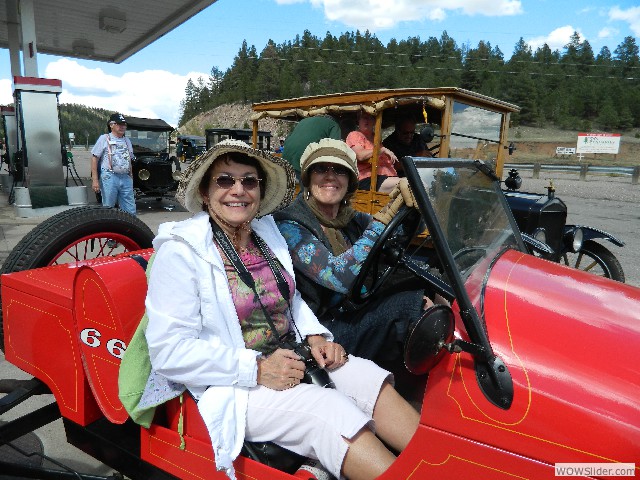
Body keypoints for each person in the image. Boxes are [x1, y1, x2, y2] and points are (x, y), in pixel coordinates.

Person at [139, 139, 419, 480]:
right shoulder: (181, 252)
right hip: (230, 382)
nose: (238, 190)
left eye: (249, 181)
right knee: (328, 412)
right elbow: (169, 352)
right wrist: (256, 368)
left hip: (292, 356)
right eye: (224, 180)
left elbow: (292, 298)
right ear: (204, 193)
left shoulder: (264, 233)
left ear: (260, 189)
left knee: (366, 378)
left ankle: (439, 467)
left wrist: (316, 335)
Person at [274, 138, 433, 363]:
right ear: (308, 179)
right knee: (410, 306)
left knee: (430, 284)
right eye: (320, 169)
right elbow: (338, 277)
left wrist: (413, 209)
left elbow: (397, 238)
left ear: (350, 182)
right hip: (320, 330)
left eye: (340, 170)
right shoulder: (290, 225)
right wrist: (383, 219)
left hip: (354, 309)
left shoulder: (351, 219)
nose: (330, 176)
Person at [91, 113, 136, 215]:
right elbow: (94, 159)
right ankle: (108, 229)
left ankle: (129, 228)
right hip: (109, 176)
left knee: (130, 208)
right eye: (119, 124)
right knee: (108, 207)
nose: (122, 127)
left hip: (125, 176)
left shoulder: (127, 140)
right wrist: (95, 180)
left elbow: (129, 159)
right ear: (111, 125)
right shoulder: (104, 138)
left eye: (124, 124)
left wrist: (131, 176)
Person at [346, 111, 400, 193]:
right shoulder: (355, 135)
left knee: (416, 183)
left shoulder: (376, 137)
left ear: (375, 121)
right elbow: (360, 155)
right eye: (364, 118)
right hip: (368, 180)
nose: (366, 121)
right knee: (409, 184)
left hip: (385, 178)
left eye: (370, 118)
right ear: (358, 121)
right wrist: (381, 150)